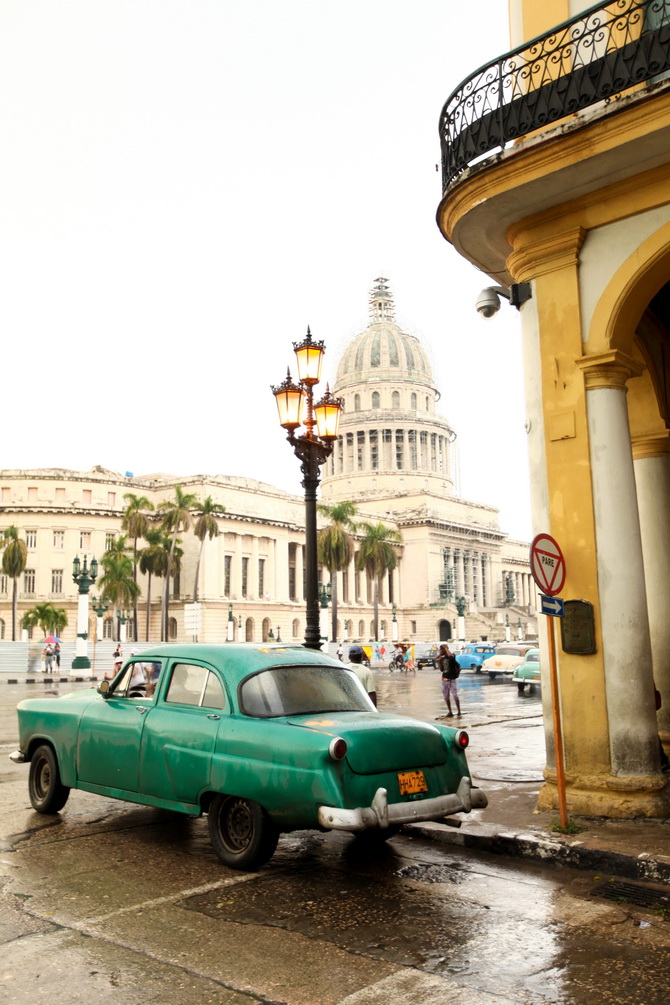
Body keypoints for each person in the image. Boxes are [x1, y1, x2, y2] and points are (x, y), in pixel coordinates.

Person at [439, 644, 461, 717]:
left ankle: (459, 711)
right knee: (446, 697)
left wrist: (445, 649)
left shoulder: (452, 656)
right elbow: (442, 670)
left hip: (452, 679)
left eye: (441, 649)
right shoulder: (442, 659)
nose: (440, 651)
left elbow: (450, 656)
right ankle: (450, 711)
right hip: (444, 680)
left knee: (455, 696)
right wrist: (439, 661)